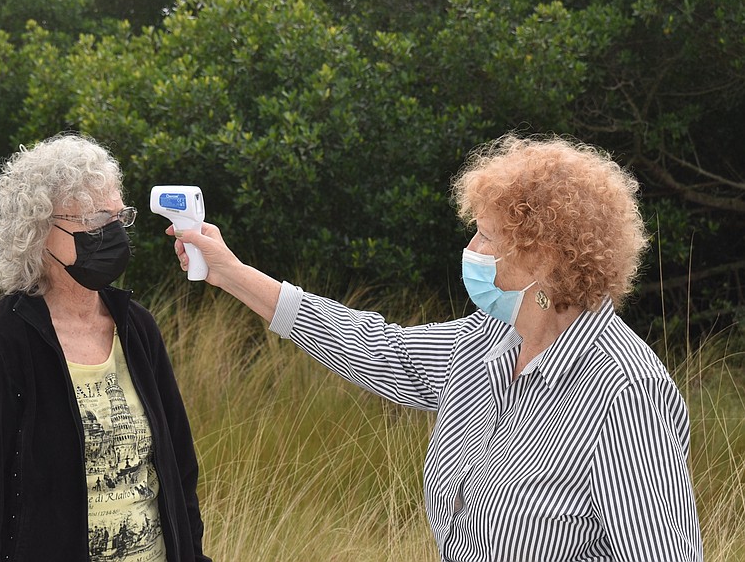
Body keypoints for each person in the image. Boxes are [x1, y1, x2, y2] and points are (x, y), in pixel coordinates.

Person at [169, 134, 702, 561]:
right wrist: (231, 274)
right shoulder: (486, 341)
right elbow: (379, 349)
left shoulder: (627, 391)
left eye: (486, 237)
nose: (469, 250)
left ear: (543, 258)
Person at [0, 134, 211, 562]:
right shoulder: (1, 340)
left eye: (118, 217)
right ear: (38, 231)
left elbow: (179, 467)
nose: (112, 233)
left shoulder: (136, 326)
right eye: (93, 220)